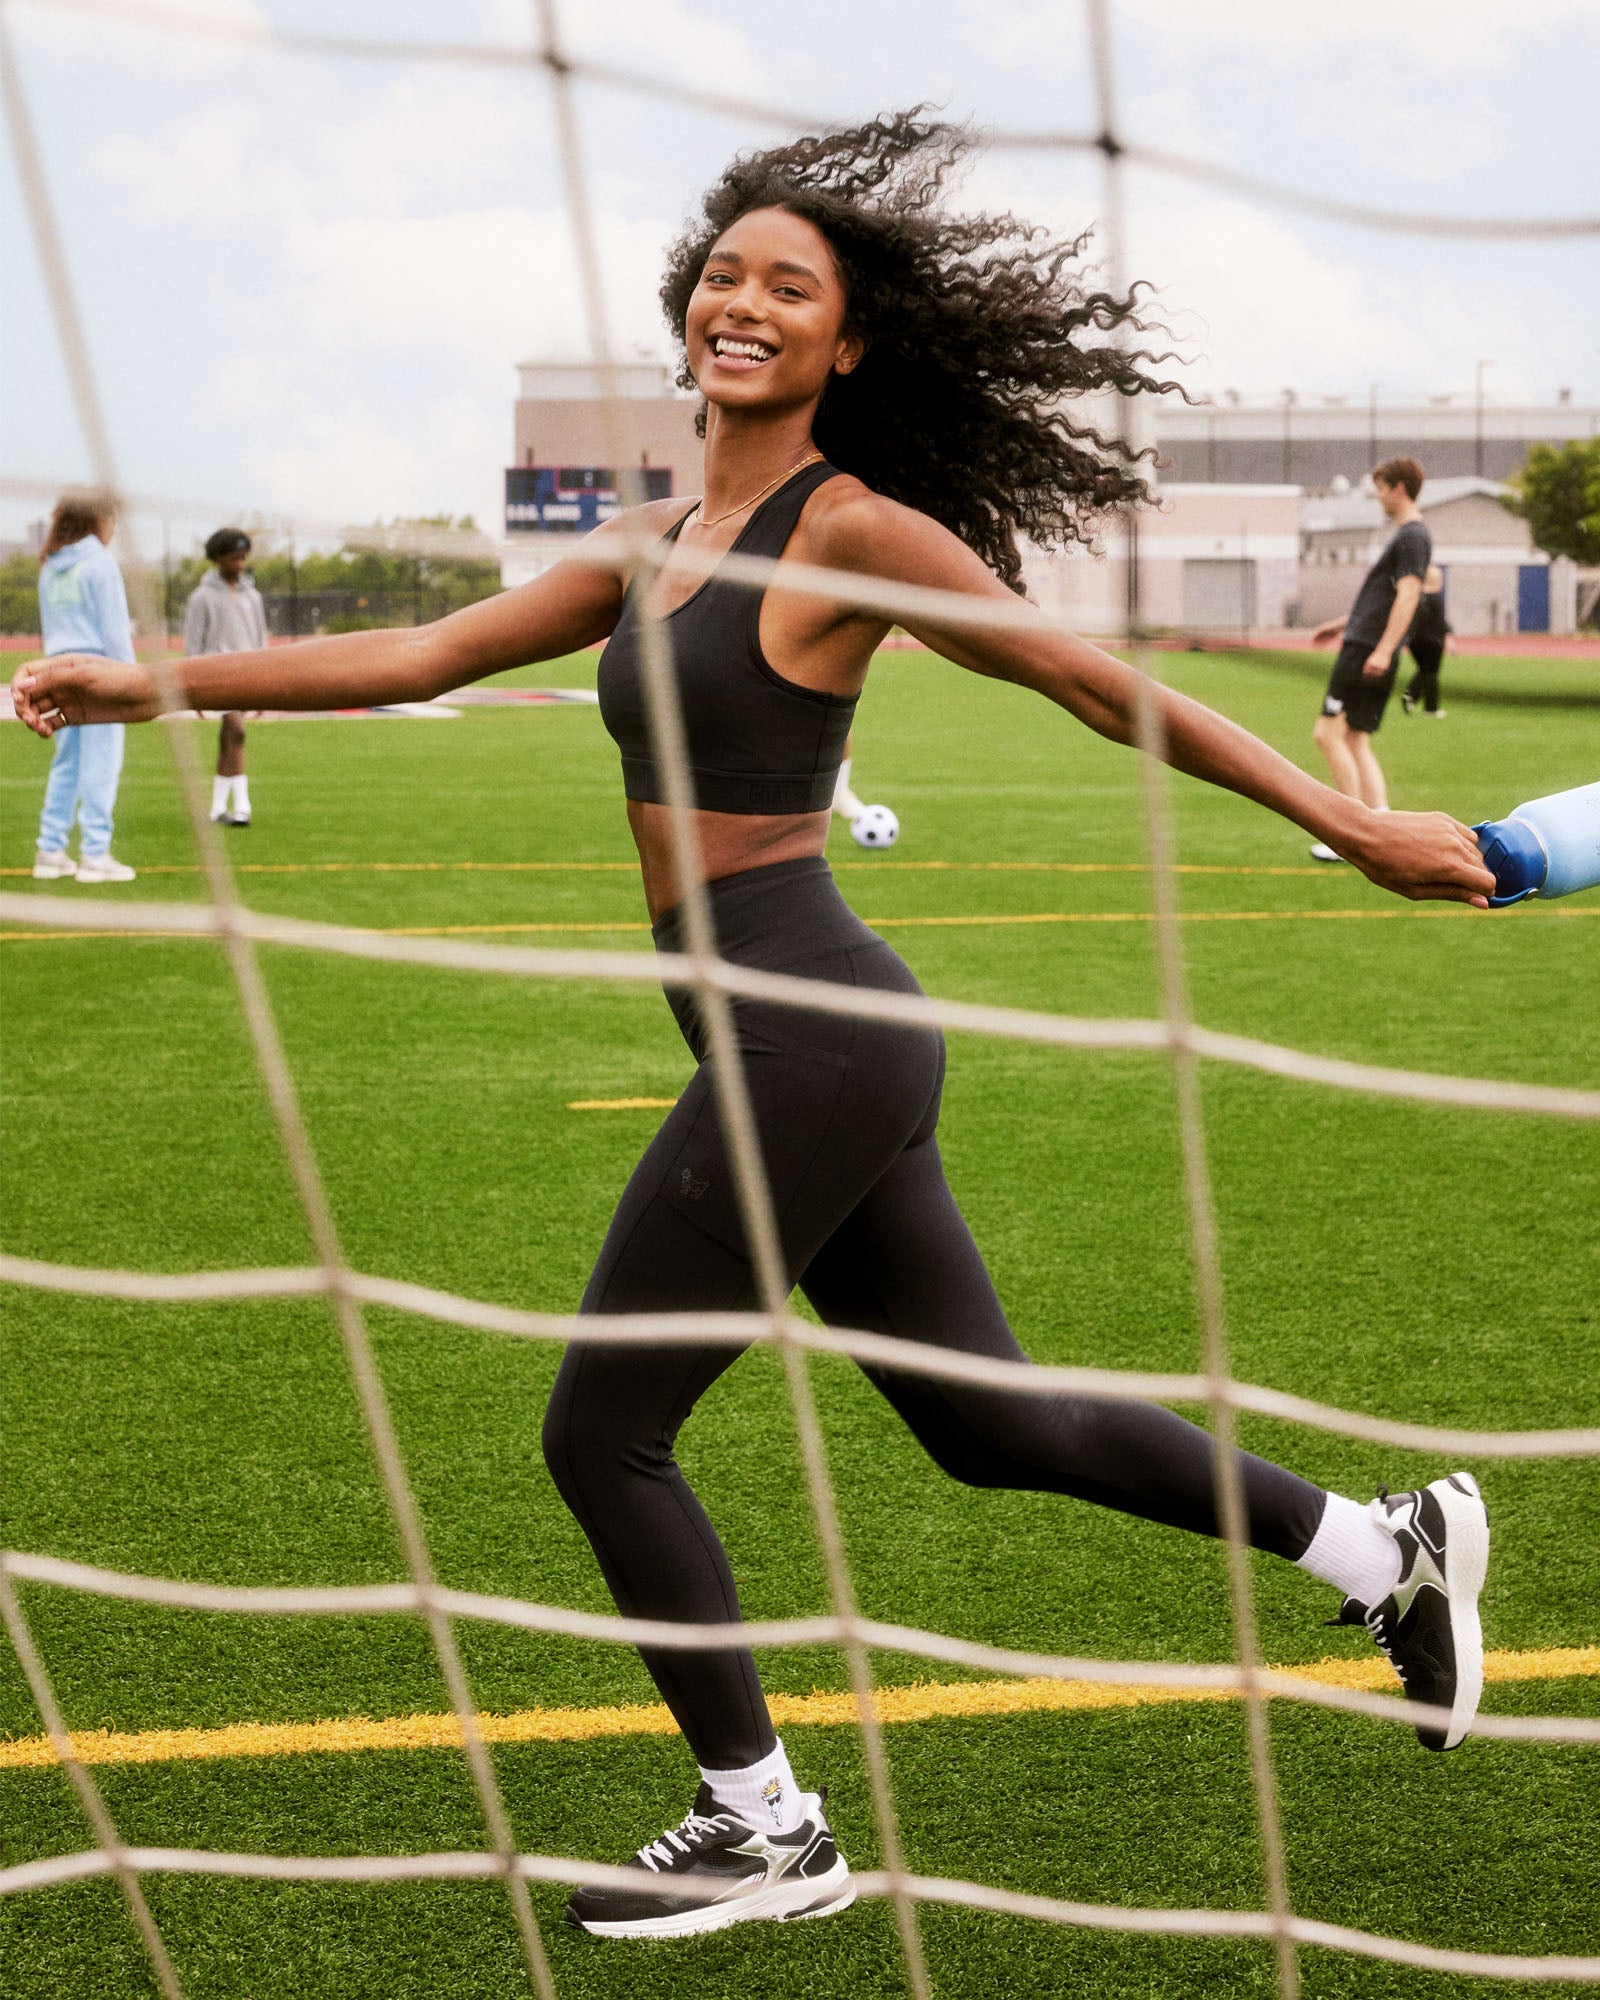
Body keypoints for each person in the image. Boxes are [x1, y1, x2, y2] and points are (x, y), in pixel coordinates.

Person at [13, 114, 1498, 1942]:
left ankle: (763, 1824)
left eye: (790, 287)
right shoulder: (645, 546)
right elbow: (410, 658)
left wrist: (1348, 820)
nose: (745, 301)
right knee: (987, 1427)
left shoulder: (853, 529)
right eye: (726, 273)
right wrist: (135, 679)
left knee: (598, 1434)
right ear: (685, 308)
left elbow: (1096, 683)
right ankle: (1383, 1549)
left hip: (812, 1024)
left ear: (848, 344)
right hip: (785, 1037)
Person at [1308, 458, 1432, 861]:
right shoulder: (1407, 535)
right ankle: (1381, 827)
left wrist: (1382, 649)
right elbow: (1382, 600)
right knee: (1355, 736)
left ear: (1398, 488)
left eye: (1380, 488)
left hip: (1366, 650)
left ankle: (1349, 835)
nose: (1377, 496)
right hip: (1364, 641)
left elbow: (1408, 596)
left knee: (1328, 734)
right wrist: (1342, 624)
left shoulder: (1413, 535)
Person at [29, 491, 137, 885]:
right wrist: (130, 680)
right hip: (98, 673)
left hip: (58, 671)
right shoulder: (99, 564)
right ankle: (95, 853)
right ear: (99, 521)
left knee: (67, 764)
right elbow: (115, 630)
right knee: (102, 762)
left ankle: (50, 849)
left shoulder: (50, 566)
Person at [183, 527, 268, 825]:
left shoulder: (253, 597)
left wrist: (266, 683)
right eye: (234, 558)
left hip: (248, 676)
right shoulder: (201, 598)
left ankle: (218, 808)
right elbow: (193, 644)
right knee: (237, 731)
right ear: (218, 558)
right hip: (217, 676)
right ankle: (242, 806)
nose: (239, 565)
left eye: (243, 558)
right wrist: (191, 687)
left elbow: (260, 642)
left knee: (228, 737)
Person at [1401, 564, 1450, 717]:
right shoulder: (1436, 599)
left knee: (1424, 671)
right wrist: (1448, 636)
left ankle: (1413, 697)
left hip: (1415, 641)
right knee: (1432, 673)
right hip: (1433, 641)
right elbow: (1440, 622)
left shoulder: (1416, 597)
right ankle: (1429, 707)